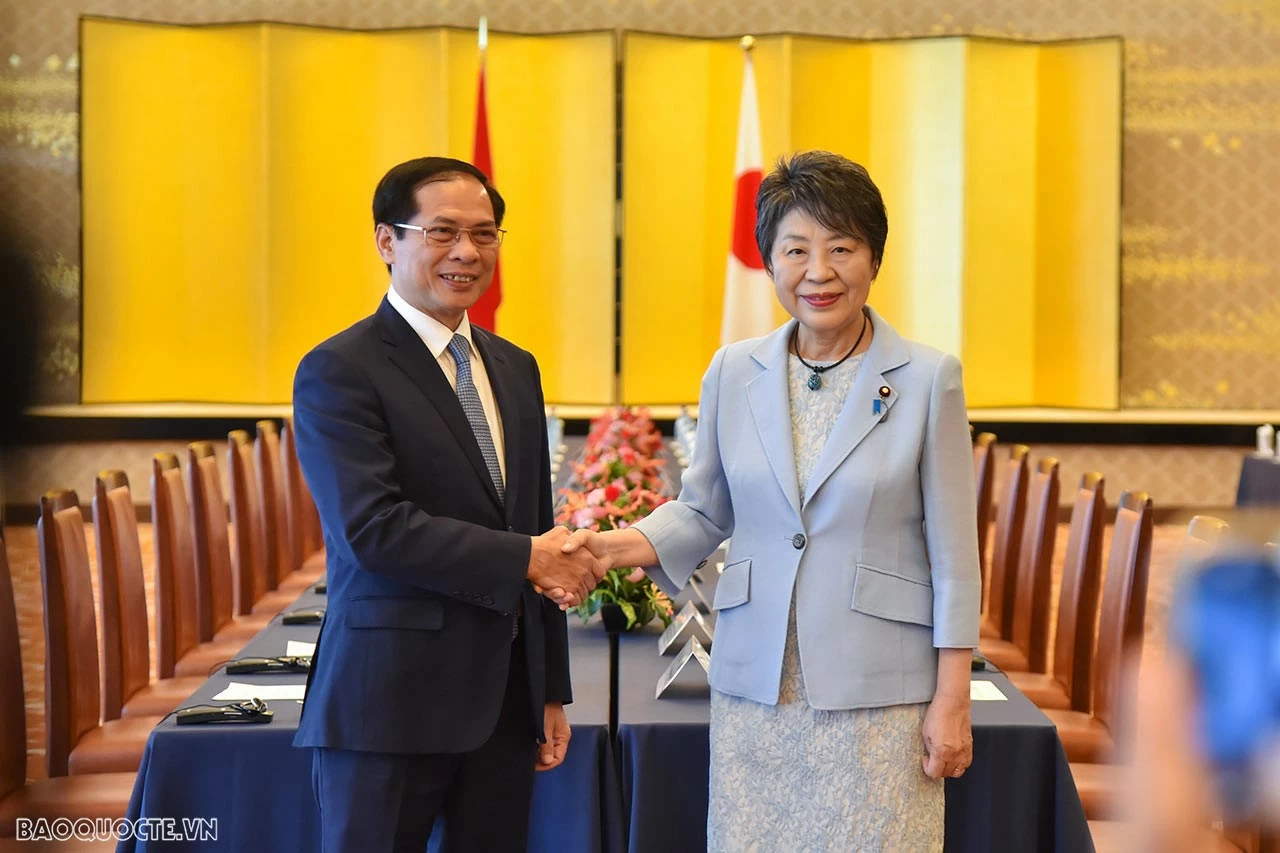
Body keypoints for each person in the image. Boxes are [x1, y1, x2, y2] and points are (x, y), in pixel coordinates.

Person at [564, 150, 981, 850]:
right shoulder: (734, 370)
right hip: (757, 682)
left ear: (873, 258)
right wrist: (603, 548)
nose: (819, 271)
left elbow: (954, 554)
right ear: (770, 262)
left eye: (841, 247)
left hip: (879, 692)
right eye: (796, 250)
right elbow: (702, 510)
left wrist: (953, 696)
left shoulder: (927, 378)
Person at [291, 156, 606, 853]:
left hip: (501, 706)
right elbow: (372, 529)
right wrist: (528, 556)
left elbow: (535, 525)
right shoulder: (339, 370)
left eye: (485, 233)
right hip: (388, 705)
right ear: (386, 241)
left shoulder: (513, 365)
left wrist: (548, 687)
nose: (467, 252)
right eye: (442, 232)